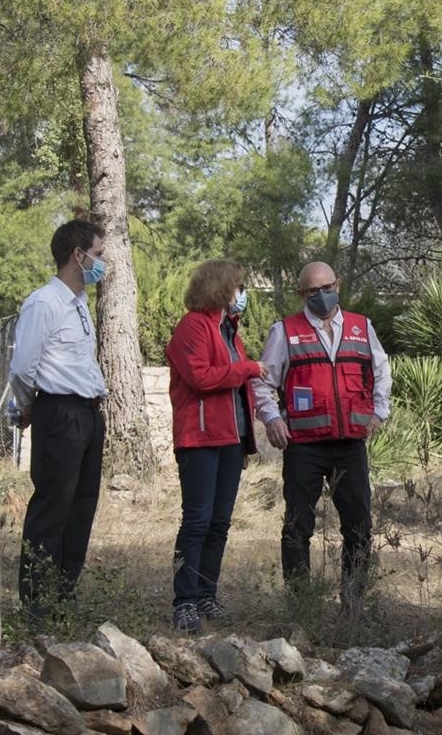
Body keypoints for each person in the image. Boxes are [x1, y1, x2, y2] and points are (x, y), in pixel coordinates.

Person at [253, 261, 392, 606]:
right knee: (298, 526)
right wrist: (271, 418)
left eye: (327, 287)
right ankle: (302, 604)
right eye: (313, 290)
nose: (322, 295)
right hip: (304, 446)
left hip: (350, 444)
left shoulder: (362, 327)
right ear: (302, 293)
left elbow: (382, 372)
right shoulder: (284, 331)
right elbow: (261, 381)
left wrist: (379, 412)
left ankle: (354, 603)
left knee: (358, 526)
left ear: (338, 285)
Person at [9, 219, 110, 621]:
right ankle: (36, 604)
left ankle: (62, 597)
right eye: (98, 255)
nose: (102, 263)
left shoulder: (80, 302)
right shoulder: (44, 303)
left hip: (87, 413)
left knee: (81, 507)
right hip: (59, 413)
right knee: (52, 506)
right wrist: (28, 405)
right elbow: (23, 367)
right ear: (78, 255)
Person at [165, 259, 262, 630]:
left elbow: (236, 391)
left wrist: (246, 440)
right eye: (238, 286)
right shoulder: (192, 326)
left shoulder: (228, 330)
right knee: (197, 520)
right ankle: (185, 601)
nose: (242, 294)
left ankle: (207, 594)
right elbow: (201, 378)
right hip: (200, 438)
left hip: (230, 439)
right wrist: (248, 368)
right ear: (220, 288)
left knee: (220, 522)